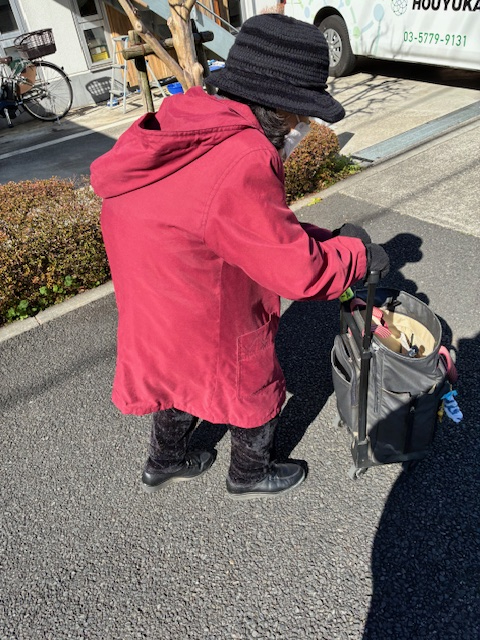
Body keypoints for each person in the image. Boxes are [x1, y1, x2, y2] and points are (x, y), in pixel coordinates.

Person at [90, 14, 389, 500]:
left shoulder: (187, 119)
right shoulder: (244, 155)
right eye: (300, 115)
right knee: (249, 378)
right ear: (277, 104)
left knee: (174, 373)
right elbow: (297, 271)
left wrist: (330, 238)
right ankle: (249, 473)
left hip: (153, 294)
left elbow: (240, 224)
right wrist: (356, 256)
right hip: (204, 299)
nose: (302, 127)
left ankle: (164, 461)